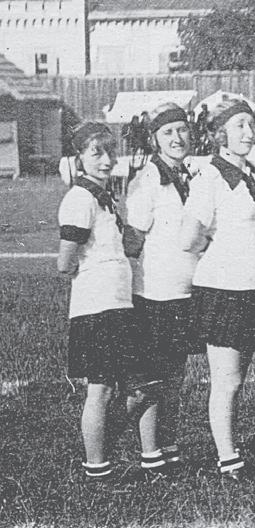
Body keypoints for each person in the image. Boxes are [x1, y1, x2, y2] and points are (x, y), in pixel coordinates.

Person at [177, 97, 255, 480]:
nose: (249, 132)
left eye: (251, 124)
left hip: (253, 289)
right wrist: (221, 250)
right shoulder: (211, 177)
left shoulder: (254, 173)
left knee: (238, 379)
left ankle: (230, 451)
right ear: (220, 134)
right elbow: (188, 238)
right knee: (228, 380)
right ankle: (228, 459)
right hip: (223, 292)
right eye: (239, 126)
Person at [57, 123, 152, 481]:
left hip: (117, 304)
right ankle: (97, 467)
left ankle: (98, 454)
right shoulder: (80, 199)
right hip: (97, 307)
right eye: (96, 152)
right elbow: (65, 263)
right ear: (78, 158)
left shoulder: (103, 197)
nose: (106, 160)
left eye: (110, 152)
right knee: (102, 389)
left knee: (136, 389)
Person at [123, 103, 203, 476]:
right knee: (153, 379)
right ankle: (150, 451)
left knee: (174, 377)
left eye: (182, 130)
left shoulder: (190, 174)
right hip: (154, 294)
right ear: (155, 139)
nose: (177, 138)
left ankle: (168, 446)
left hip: (184, 294)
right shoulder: (148, 179)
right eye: (168, 132)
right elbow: (133, 239)